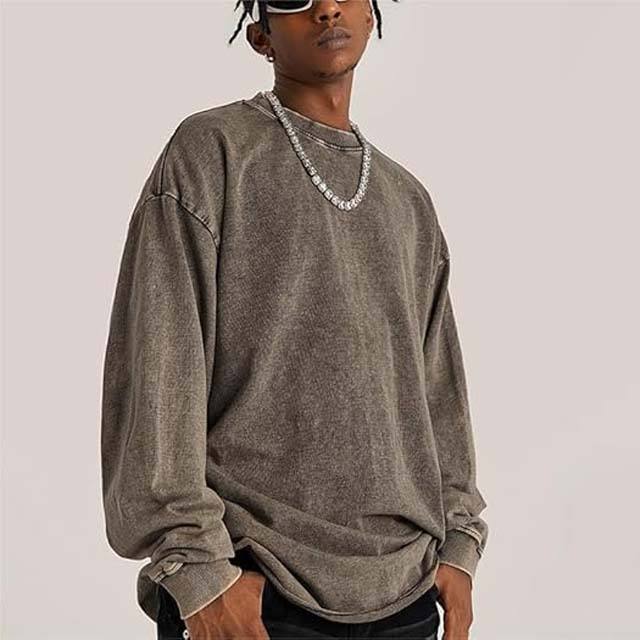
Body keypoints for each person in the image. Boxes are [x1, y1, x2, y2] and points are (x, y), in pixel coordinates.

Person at [100, 1, 490, 639]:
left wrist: (459, 544)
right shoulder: (213, 152)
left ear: (372, 17)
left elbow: (437, 390)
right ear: (262, 37)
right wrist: (198, 573)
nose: (326, 8)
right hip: (255, 586)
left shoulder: (408, 201)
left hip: (408, 595)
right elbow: (160, 367)